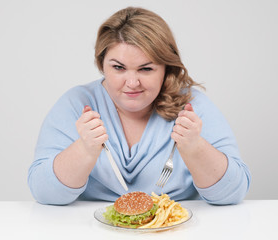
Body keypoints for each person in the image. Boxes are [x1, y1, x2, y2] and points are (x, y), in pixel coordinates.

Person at [28, 7, 251, 205]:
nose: (132, 83)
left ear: (166, 68)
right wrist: (84, 150)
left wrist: (195, 147)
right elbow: (44, 194)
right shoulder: (76, 103)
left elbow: (233, 194)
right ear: (102, 64)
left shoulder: (192, 105)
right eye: (118, 68)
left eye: (146, 69)